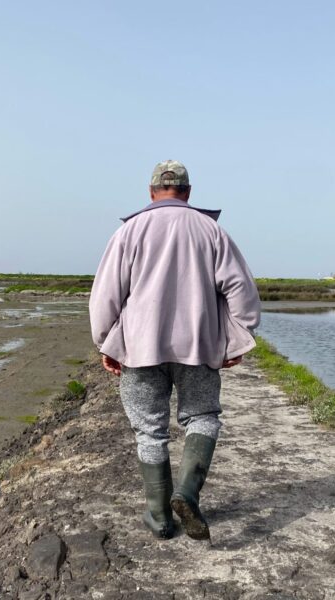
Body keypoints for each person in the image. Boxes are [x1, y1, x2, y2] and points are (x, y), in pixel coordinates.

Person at [89, 160, 261, 541]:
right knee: (202, 417)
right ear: (188, 192)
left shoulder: (129, 232)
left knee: (150, 431)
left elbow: (105, 297)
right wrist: (238, 336)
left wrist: (107, 342)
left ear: (151, 192)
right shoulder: (211, 231)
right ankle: (186, 494)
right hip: (198, 347)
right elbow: (242, 291)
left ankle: (159, 516)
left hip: (140, 348)